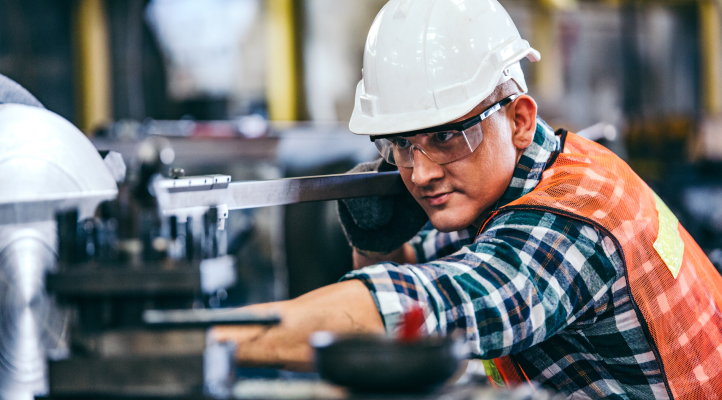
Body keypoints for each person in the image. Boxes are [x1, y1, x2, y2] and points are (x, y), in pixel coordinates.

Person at [213, 0, 722, 398]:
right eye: (403, 145)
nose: (422, 173)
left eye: (447, 136)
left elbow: (408, 308)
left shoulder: (570, 226)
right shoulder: (529, 172)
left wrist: (207, 343)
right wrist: (377, 239)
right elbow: (417, 278)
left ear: (519, 120)